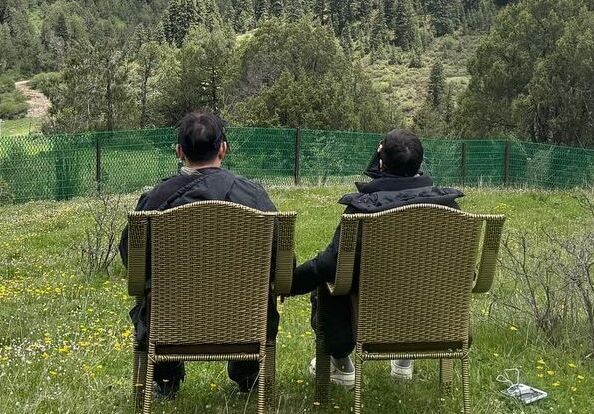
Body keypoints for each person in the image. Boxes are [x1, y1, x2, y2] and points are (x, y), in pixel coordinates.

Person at [119, 111, 279, 399]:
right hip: (244, 320)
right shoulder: (254, 197)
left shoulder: (154, 201)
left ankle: (165, 379)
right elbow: (280, 262)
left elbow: (133, 262)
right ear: (223, 149)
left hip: (171, 323)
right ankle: (248, 377)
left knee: (150, 296)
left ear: (179, 151)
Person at [290, 129, 464, 387]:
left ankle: (341, 364)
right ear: (419, 162)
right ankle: (404, 360)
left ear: (381, 162)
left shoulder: (364, 209)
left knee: (330, 286)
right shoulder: (449, 207)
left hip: (370, 320)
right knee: (417, 279)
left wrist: (289, 283)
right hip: (431, 318)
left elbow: (329, 264)